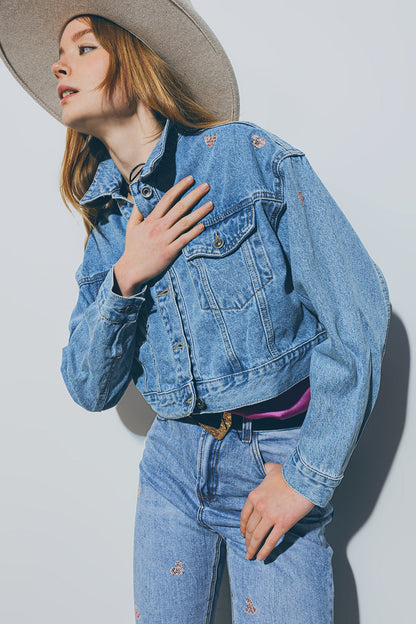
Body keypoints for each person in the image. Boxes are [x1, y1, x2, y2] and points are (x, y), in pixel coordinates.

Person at [0, 1, 391, 622]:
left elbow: (359, 311)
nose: (58, 64)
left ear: (133, 61)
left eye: (83, 48)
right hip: (173, 467)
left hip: (275, 458)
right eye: (61, 52)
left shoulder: (246, 158)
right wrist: (129, 275)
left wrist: (305, 478)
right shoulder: (107, 226)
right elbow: (88, 386)